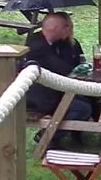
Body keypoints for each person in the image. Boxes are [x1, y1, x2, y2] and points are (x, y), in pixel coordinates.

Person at [23, 12, 93, 143]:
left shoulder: (63, 43)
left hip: (59, 89)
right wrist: (76, 71)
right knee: (82, 108)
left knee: (92, 98)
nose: (70, 30)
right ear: (57, 28)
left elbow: (78, 62)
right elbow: (62, 69)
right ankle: (47, 138)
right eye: (67, 26)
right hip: (40, 97)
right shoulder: (36, 45)